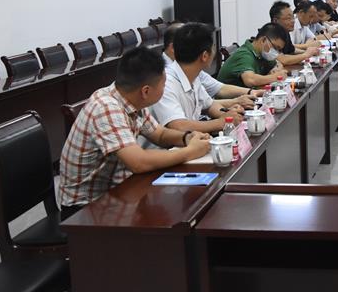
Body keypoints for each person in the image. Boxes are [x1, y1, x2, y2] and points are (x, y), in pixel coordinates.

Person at [58, 46, 211, 217]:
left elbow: (160, 135)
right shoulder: (106, 108)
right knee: (175, 215)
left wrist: (187, 138)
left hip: (120, 190)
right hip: (85, 209)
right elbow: (138, 163)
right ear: (146, 91)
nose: (165, 88)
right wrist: (190, 152)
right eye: (164, 84)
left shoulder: (130, 98)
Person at [152, 23, 245, 134]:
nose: (214, 52)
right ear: (204, 56)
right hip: (172, 144)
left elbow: (209, 105)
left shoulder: (193, 76)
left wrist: (228, 114)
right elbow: (178, 126)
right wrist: (221, 122)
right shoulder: (166, 83)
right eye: (213, 48)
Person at [162, 23, 260, 109]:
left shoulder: (192, 72)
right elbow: (177, 123)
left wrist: (249, 94)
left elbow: (213, 96)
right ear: (173, 47)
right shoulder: (165, 78)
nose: (214, 52)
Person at [216, 23, 289, 88]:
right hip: (231, 98)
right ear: (263, 40)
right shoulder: (244, 55)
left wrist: (276, 69)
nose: (276, 52)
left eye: (279, 50)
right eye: (275, 48)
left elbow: (278, 63)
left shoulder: (262, 53)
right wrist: (275, 77)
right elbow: (250, 80)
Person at [270, 0, 318, 66]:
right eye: (288, 18)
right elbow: (283, 59)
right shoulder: (270, 36)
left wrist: (310, 52)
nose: (293, 21)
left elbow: (292, 50)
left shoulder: (285, 32)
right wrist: (306, 54)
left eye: (293, 17)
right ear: (275, 21)